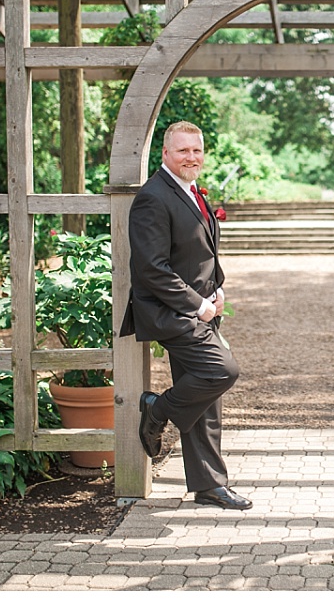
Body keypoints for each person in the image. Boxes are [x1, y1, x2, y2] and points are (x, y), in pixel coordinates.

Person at [120, 121, 251, 511]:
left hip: (201, 306)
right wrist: (199, 304)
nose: (191, 157)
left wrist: (218, 290)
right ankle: (155, 410)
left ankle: (209, 486)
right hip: (170, 313)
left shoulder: (190, 191)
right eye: (183, 151)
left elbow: (200, 252)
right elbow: (152, 267)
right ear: (165, 154)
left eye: (196, 150)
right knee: (220, 372)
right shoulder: (153, 198)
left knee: (205, 398)